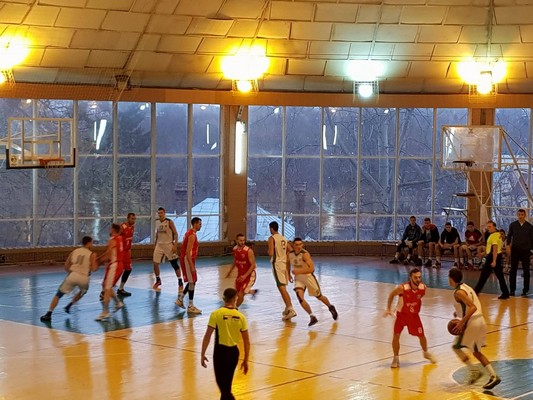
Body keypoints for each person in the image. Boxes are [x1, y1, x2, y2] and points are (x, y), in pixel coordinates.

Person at [448, 267, 501, 389]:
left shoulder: (458, 292)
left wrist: (461, 322)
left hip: (472, 323)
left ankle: (474, 371)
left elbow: (472, 307)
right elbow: (471, 303)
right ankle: (493, 376)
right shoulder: (466, 287)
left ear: (451, 279)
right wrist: (458, 312)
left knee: (456, 347)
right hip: (480, 321)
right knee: (476, 352)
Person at [201, 288, 250, 400]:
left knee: (224, 389)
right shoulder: (241, 317)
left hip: (220, 353)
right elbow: (247, 342)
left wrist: (202, 354)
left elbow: (207, 335)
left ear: (224, 299)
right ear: (235, 298)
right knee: (226, 388)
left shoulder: (216, 314)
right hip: (233, 354)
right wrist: (246, 360)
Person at [384, 268, 436, 368]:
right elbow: (391, 294)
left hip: (414, 316)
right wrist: (388, 309)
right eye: (415, 277)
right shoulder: (402, 288)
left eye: (419, 277)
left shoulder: (423, 288)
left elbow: (418, 297)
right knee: (396, 335)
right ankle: (395, 358)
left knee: (421, 336)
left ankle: (426, 353)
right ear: (410, 278)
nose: (418, 279)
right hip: (402, 315)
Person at [40, 236, 99, 322]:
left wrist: (71, 272)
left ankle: (48, 314)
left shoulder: (74, 251)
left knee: (59, 294)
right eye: (92, 243)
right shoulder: (92, 254)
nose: (92, 245)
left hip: (73, 275)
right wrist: (97, 263)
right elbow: (94, 269)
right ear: (89, 243)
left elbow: (66, 266)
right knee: (82, 292)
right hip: (84, 277)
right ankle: (70, 305)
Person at [288, 238, 338, 326]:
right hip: (299, 279)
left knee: (319, 296)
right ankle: (312, 316)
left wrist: (298, 271)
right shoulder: (290, 254)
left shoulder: (305, 254)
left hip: (308, 277)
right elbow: (287, 263)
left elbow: (311, 269)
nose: (299, 246)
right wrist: (288, 274)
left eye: (300, 244)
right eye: (297, 245)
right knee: (300, 298)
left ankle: (330, 306)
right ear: (293, 245)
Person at [473, 220, 510, 299]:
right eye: (487, 227)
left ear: (494, 227)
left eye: (490, 227)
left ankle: (476, 291)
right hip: (494, 256)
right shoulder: (496, 234)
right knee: (499, 276)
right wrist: (484, 253)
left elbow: (495, 249)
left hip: (493, 257)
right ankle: (505, 293)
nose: (488, 228)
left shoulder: (494, 236)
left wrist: (494, 261)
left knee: (484, 276)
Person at [152, 207, 184, 298]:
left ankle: (180, 281)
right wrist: (155, 243)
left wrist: (175, 245)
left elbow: (176, 233)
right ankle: (158, 280)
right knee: (155, 263)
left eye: (161, 213)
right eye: (159, 213)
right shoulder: (157, 222)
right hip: (159, 245)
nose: (160, 214)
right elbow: (157, 233)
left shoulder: (169, 222)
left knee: (174, 264)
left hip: (168, 244)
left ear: (164, 213)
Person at [268, 221, 297, 321]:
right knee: (283, 288)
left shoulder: (272, 238)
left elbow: (271, 253)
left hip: (277, 264)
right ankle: (287, 308)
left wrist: (269, 251)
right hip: (284, 264)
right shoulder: (283, 238)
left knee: (281, 288)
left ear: (271, 228)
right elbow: (291, 250)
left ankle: (290, 308)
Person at [96, 223, 125, 321]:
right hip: (117, 264)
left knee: (107, 288)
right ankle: (117, 303)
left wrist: (98, 261)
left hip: (115, 265)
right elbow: (109, 253)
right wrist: (100, 259)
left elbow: (108, 255)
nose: (109, 230)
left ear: (113, 230)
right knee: (105, 285)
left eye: (110, 229)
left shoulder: (112, 240)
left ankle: (105, 312)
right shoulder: (119, 238)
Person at [176, 217, 203, 314]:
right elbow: (188, 252)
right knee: (192, 281)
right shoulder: (192, 235)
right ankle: (190, 306)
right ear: (195, 224)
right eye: (199, 224)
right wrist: (191, 266)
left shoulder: (189, 233)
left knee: (193, 281)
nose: (201, 226)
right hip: (187, 259)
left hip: (188, 259)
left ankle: (180, 299)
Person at [225, 233, 258, 307]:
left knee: (240, 295)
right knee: (237, 293)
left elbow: (253, 265)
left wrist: (245, 276)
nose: (242, 242)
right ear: (236, 240)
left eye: (243, 240)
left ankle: (235, 309)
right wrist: (230, 271)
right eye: (240, 240)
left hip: (249, 275)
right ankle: (252, 292)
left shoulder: (248, 251)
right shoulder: (235, 249)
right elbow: (235, 261)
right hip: (240, 274)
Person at [506, 208, 533, 296]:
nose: (520, 216)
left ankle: (525, 289)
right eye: (519, 215)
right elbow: (509, 236)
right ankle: (512, 289)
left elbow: (532, 239)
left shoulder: (529, 226)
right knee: (513, 270)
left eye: (522, 215)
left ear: (525, 215)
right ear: (517, 215)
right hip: (515, 250)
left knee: (526, 270)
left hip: (526, 250)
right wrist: (508, 245)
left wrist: (531, 250)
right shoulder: (513, 225)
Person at [117, 213, 136, 296]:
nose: (134, 220)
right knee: (118, 270)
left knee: (128, 269)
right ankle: (105, 290)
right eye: (132, 218)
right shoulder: (122, 227)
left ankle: (120, 288)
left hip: (127, 252)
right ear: (128, 218)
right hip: (121, 252)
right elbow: (116, 236)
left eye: (134, 219)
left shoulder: (132, 227)